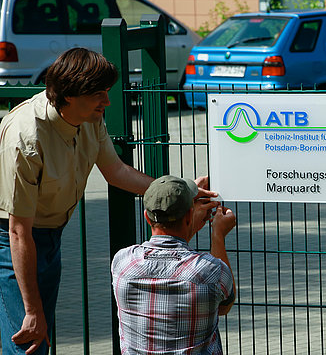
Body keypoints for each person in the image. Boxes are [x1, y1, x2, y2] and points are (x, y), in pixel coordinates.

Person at [0, 48, 215, 355]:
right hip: (11, 241)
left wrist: (182, 191)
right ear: (71, 94)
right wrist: (32, 310)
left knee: (39, 339)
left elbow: (116, 171)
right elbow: (18, 231)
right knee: (28, 341)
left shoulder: (88, 117)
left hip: (48, 236)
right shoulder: (25, 137)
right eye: (99, 94)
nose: (108, 102)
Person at [111, 175, 235, 354]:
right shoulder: (211, 272)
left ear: (147, 217)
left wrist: (188, 221)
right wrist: (218, 235)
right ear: (190, 215)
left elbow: (171, 253)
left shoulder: (123, 263)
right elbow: (224, 306)